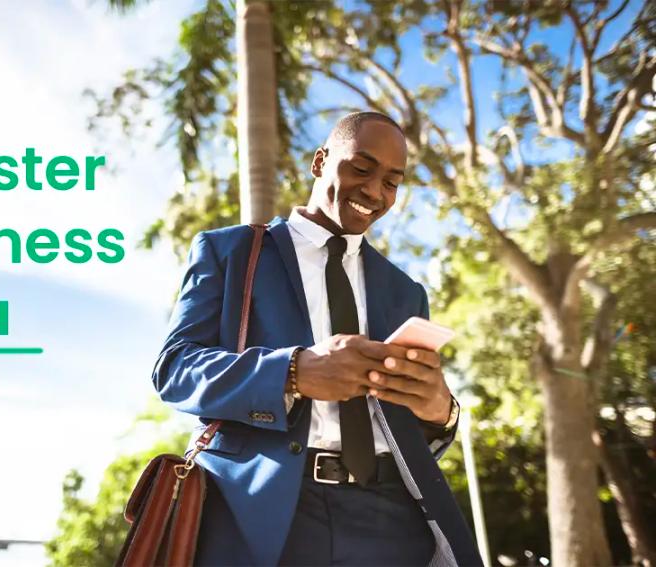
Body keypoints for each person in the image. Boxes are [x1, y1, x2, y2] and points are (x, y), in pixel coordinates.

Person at [152, 111, 483, 566]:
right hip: (268, 513)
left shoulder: (406, 292)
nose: (374, 191)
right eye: (361, 168)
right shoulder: (229, 253)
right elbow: (175, 370)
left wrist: (438, 413)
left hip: (391, 518)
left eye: (392, 182)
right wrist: (293, 372)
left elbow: (410, 423)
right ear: (320, 161)